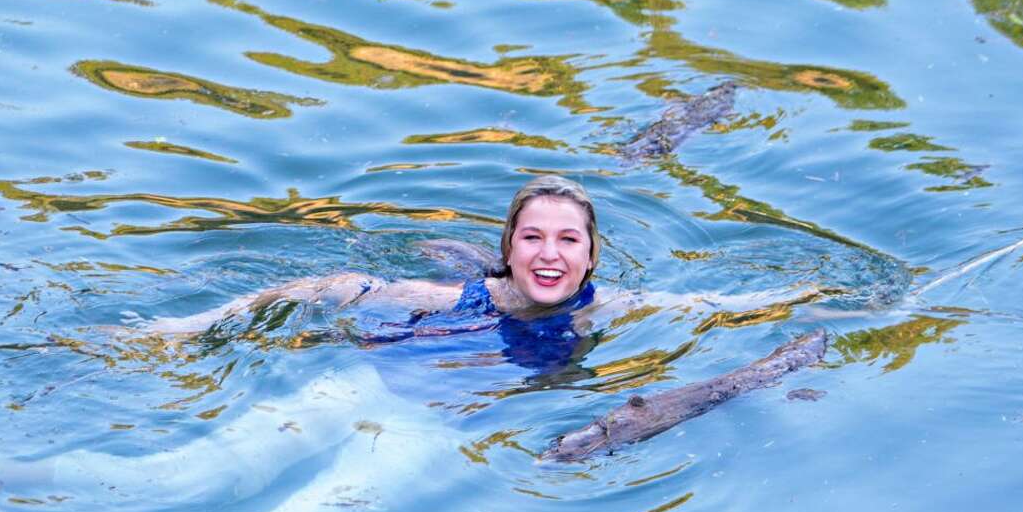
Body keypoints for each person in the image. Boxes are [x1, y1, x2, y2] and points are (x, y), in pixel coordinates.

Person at [143, 174, 838, 368]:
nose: (549, 253)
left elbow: (710, 304)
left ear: (592, 256)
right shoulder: (456, 295)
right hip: (375, 388)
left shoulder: (605, 310)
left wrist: (821, 302)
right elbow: (322, 287)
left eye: (568, 240)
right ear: (508, 249)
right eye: (532, 237)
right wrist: (189, 326)